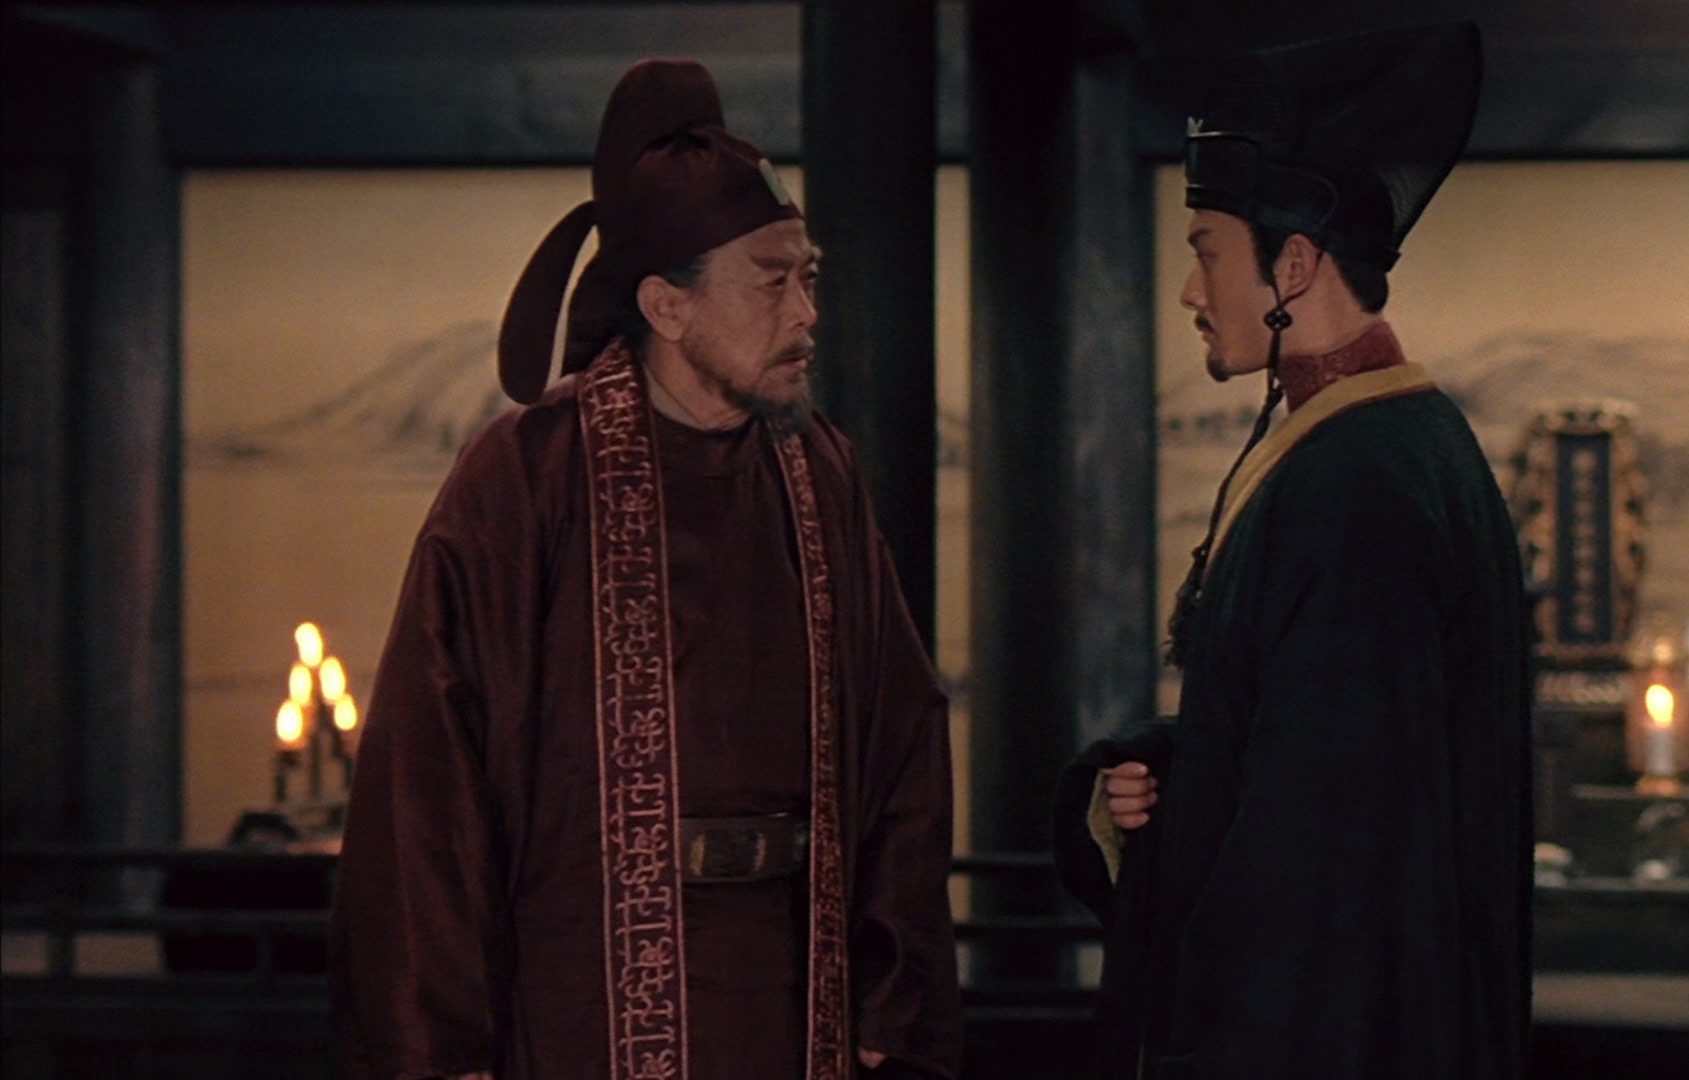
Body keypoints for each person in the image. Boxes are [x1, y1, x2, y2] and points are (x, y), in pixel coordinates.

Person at [331, 59, 961, 1080]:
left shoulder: (817, 469)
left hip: (795, 989)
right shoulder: (528, 474)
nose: (807, 313)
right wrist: (443, 1043)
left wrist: (893, 992)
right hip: (575, 993)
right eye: (773, 283)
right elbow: (427, 771)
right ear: (667, 306)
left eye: (809, 279)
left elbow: (902, 742)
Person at [1052, 23, 1532, 1080]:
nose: (1191, 291)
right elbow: (1315, 751)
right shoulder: (1378, 448)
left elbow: (1323, 852)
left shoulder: (1363, 483)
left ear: (1295, 265)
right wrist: (1166, 773)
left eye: (1206, 251)